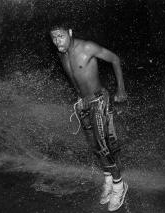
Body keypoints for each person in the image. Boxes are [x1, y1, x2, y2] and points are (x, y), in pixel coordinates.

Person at [50, 23, 128, 211]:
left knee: (104, 146)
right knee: (94, 147)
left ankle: (119, 186)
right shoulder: (62, 53)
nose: (57, 41)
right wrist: (80, 98)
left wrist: (121, 89)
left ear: (69, 33)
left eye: (60, 36)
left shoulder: (87, 47)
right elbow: (77, 78)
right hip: (82, 104)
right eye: (53, 38)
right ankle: (109, 180)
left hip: (99, 100)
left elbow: (115, 59)